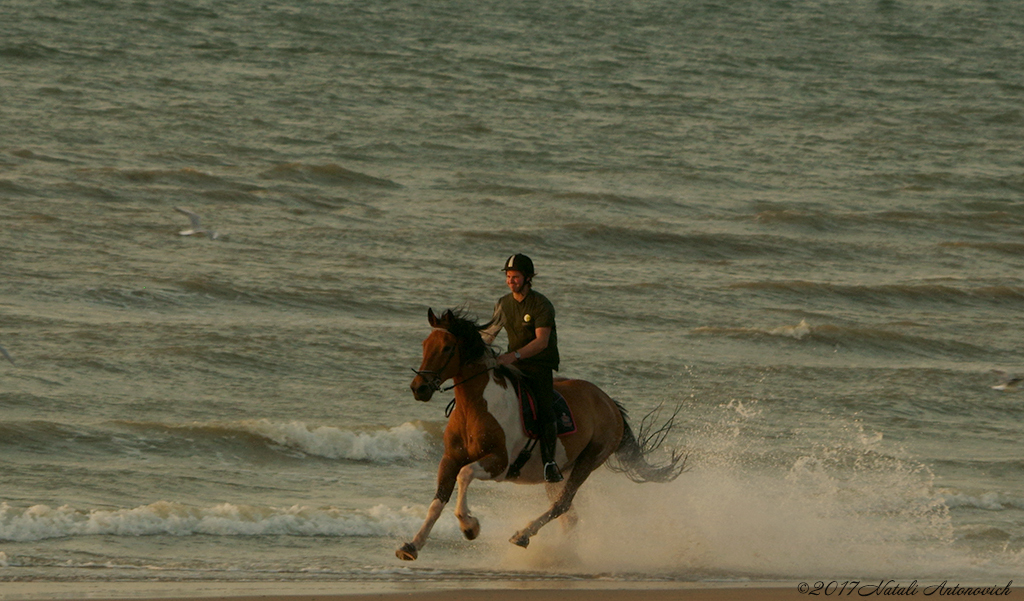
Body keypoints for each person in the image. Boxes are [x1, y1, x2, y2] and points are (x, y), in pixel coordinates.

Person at [481, 254, 563, 483]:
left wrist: (513, 356)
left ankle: (549, 463)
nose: (510, 281)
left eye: (515, 277)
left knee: (545, 408)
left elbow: (541, 342)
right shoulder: (503, 303)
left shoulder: (541, 304)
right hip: (512, 364)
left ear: (528, 278)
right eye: (508, 276)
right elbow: (489, 335)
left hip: (538, 364)